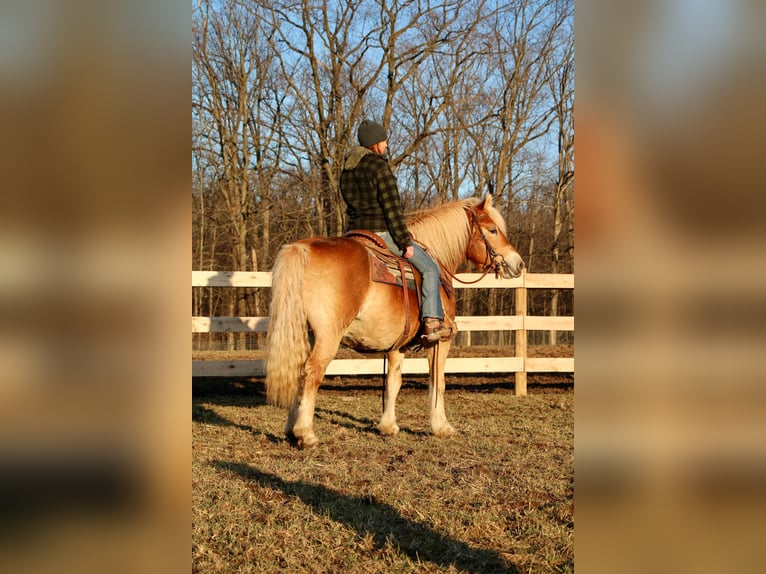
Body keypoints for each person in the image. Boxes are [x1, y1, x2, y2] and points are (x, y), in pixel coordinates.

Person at [340, 119, 451, 343]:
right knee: (430, 267)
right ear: (375, 143)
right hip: (379, 232)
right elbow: (391, 208)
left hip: (354, 233)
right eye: (384, 140)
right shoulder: (379, 166)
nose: (387, 145)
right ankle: (431, 322)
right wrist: (404, 242)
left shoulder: (347, 169)